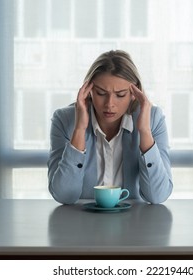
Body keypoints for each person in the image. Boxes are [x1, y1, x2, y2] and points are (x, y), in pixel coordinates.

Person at [48, 50, 173, 204]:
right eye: (101, 93)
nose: (109, 104)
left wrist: (145, 132)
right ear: (89, 90)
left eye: (120, 95)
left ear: (135, 93)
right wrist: (79, 129)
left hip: (135, 222)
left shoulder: (153, 119)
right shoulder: (64, 119)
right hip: (82, 221)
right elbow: (64, 196)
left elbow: (158, 196)